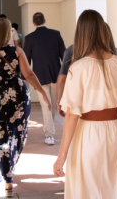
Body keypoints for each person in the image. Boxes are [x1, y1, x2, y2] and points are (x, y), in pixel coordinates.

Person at [52, 10, 117, 199]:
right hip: (114, 131)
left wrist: (62, 155)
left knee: (88, 187)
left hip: (88, 134)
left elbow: (72, 115)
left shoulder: (78, 68)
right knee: (114, 184)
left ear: (80, 33)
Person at [0, 18, 52, 197]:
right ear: (6, 33)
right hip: (17, 96)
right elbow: (29, 74)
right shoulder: (17, 51)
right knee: (16, 133)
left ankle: (6, 176)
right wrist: (42, 92)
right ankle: (9, 169)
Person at [23, 12, 66, 145]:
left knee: (46, 105)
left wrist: (24, 77)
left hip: (39, 77)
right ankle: (49, 132)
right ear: (45, 21)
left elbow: (26, 60)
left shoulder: (30, 38)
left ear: (33, 23)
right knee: (52, 104)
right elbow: (64, 55)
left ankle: (49, 134)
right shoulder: (56, 34)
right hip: (56, 74)